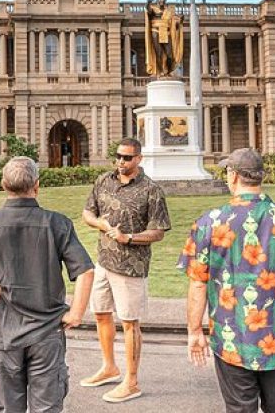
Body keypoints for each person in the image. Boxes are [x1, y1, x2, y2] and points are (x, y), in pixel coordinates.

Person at [0, 156, 94, 413]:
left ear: (3, 185)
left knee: (9, 408)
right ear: (37, 185)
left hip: (5, 332)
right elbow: (86, 270)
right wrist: (76, 313)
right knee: (47, 408)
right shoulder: (57, 223)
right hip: (46, 332)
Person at [177, 148, 275, 413]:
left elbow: (198, 283)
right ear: (260, 177)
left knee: (239, 408)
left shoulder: (210, 222)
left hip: (232, 338)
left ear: (232, 176)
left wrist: (194, 331)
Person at [80, 137, 170, 403]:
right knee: (101, 314)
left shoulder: (151, 190)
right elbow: (87, 213)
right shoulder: (103, 181)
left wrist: (128, 238)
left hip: (131, 267)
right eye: (118, 156)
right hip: (103, 262)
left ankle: (131, 382)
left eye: (127, 158)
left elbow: (158, 232)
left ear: (139, 159)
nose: (121, 162)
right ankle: (109, 367)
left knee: (129, 323)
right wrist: (99, 223)